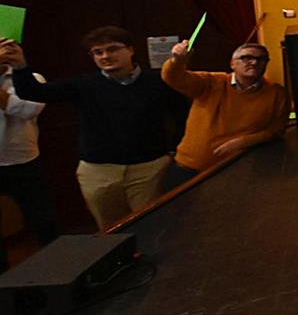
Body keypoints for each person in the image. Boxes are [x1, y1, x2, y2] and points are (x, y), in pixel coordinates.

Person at [1, 28, 187, 229]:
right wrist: (20, 65)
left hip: (149, 169)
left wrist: (173, 151)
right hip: (98, 171)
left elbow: (183, 115)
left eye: (112, 49)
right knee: (111, 231)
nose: (105, 56)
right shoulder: (83, 84)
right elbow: (33, 92)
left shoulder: (158, 81)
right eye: (98, 52)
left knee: (154, 227)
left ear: (131, 50)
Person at [159, 40, 291, 189]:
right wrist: (177, 61)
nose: (254, 62)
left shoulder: (277, 94)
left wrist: (243, 142)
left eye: (261, 59)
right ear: (232, 64)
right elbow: (173, 77)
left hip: (236, 172)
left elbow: (276, 130)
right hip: (190, 168)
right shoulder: (212, 82)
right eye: (246, 58)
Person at [1, 61, 58, 267]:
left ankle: (56, 269)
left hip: (25, 162)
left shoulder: (31, 79)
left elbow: (28, 111)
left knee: (43, 222)